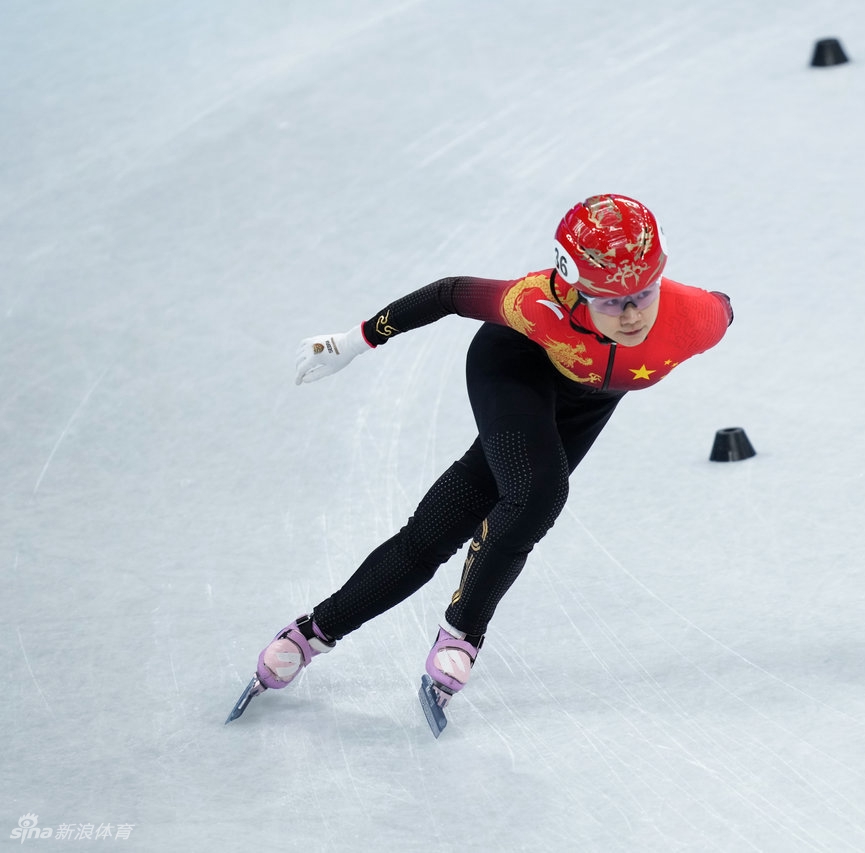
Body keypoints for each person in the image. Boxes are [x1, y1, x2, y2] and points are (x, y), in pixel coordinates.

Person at [249, 194, 734, 718]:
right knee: (537, 494)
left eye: (643, 291)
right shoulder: (533, 303)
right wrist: (352, 341)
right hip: (514, 366)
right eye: (610, 301)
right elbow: (449, 294)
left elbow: (726, 304)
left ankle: (311, 632)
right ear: (572, 290)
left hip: (586, 402)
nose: (634, 313)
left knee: (451, 523)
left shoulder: (698, 318)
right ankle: (460, 634)